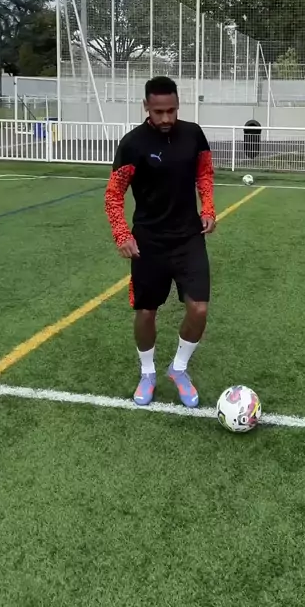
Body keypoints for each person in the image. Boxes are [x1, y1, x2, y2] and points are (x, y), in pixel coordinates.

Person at [105, 76, 215, 408]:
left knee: (199, 308)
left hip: (188, 238)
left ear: (178, 105)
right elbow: (113, 195)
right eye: (159, 112)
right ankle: (147, 373)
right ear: (146, 107)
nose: (166, 118)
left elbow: (204, 173)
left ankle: (178, 369)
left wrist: (208, 208)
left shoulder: (193, 134)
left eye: (171, 110)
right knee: (146, 312)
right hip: (149, 242)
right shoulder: (132, 143)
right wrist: (122, 234)